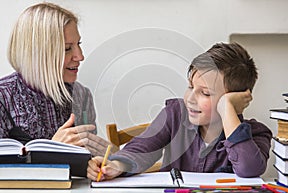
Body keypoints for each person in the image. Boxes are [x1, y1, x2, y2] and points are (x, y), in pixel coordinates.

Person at [87, 42, 272, 181]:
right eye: (190, 87)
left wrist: (226, 109)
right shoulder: (175, 114)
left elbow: (249, 169)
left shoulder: (257, 133)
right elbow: (142, 149)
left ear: (234, 99)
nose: (190, 98)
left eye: (205, 93)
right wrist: (116, 165)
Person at [0, 2, 110, 156]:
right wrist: (52, 150)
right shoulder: (3, 98)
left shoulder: (81, 95)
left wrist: (104, 159)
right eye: (67, 48)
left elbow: (87, 163)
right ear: (36, 53)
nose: (80, 56)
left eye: (78, 44)